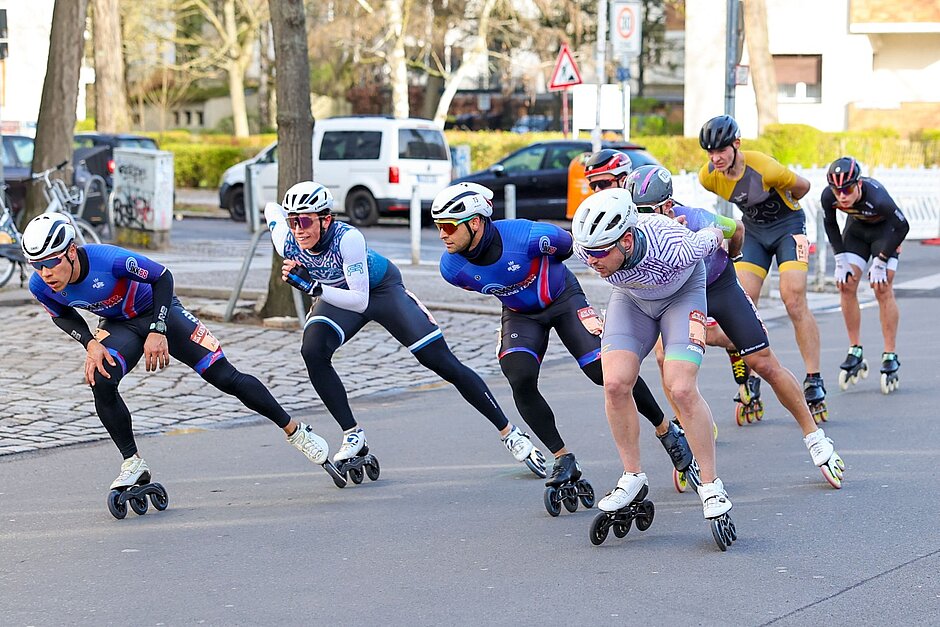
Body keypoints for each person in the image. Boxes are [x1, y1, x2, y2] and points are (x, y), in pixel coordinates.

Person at [22, 212, 345, 506]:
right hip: (120, 324)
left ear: (72, 251)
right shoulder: (41, 284)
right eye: (36, 264)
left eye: (51, 262)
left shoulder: (109, 259)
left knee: (224, 377)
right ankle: (132, 463)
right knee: (101, 376)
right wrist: (90, 343)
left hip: (161, 313)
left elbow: (163, 277)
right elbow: (62, 314)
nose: (46, 272)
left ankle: (296, 431)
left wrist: (158, 330)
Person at [431, 182, 698, 500]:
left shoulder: (526, 236)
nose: (442, 235)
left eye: (448, 226)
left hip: (563, 300)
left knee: (604, 371)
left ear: (475, 222)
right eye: (438, 227)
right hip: (520, 314)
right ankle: (562, 457)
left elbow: (567, 246)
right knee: (519, 376)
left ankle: (665, 428)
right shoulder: (451, 268)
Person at [266, 181, 547, 478]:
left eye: (306, 220)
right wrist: (284, 223)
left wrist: (312, 286)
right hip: (336, 296)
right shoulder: (286, 239)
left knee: (442, 363)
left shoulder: (347, 239)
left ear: (326, 219)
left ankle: (510, 433)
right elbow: (271, 211)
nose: (298, 229)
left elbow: (360, 300)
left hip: (381, 291)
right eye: (293, 221)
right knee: (312, 351)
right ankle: (352, 434)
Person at [628, 165, 846, 488]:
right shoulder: (634, 236)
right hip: (680, 298)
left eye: (648, 212)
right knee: (663, 359)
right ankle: (690, 426)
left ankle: (814, 436)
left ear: (668, 207)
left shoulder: (699, 219)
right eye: (637, 212)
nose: (642, 219)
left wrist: (731, 256)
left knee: (764, 363)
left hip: (718, 285)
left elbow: (738, 229)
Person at [570, 187, 734, 531]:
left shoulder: (675, 245)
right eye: (589, 252)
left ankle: (710, 483)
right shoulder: (587, 249)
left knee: (682, 387)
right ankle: (632, 475)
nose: (593, 260)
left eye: (600, 252)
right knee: (614, 382)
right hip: (631, 301)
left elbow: (716, 233)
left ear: (626, 240)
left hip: (682, 295)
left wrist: (728, 232)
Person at [697, 115, 828, 421]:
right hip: (754, 233)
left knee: (793, 298)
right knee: (741, 302)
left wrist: (781, 209)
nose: (715, 158)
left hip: (788, 227)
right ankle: (750, 375)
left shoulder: (765, 167)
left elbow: (804, 187)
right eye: (710, 152)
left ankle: (813, 378)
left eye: (721, 151)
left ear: (736, 145)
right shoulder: (708, 176)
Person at [822, 156, 909, 394]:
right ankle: (855, 349)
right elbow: (830, 224)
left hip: (886, 233)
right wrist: (839, 258)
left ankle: (890, 354)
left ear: (859, 184)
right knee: (846, 285)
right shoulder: (829, 197)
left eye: (848, 189)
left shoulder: (878, 198)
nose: (842, 195)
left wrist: (881, 260)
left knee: (882, 287)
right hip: (857, 232)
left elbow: (903, 227)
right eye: (837, 190)